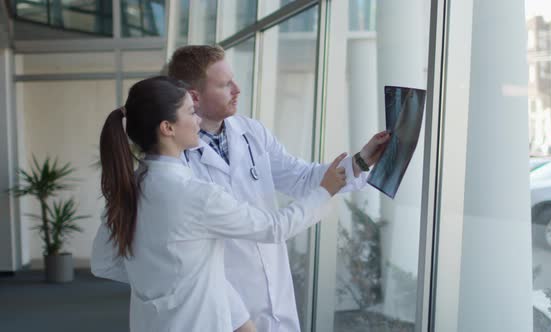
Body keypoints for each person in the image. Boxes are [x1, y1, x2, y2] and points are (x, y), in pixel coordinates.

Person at [92, 76, 350, 332]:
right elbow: (274, 228)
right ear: (167, 128)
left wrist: (165, 286)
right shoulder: (195, 194)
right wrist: (324, 192)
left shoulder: (130, 189)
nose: (198, 120)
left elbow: (104, 262)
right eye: (191, 112)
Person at [166, 45, 391, 332]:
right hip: (222, 309)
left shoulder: (251, 132)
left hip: (275, 293)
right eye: (224, 85)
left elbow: (301, 177)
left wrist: (360, 160)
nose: (237, 89)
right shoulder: (175, 159)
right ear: (194, 96)